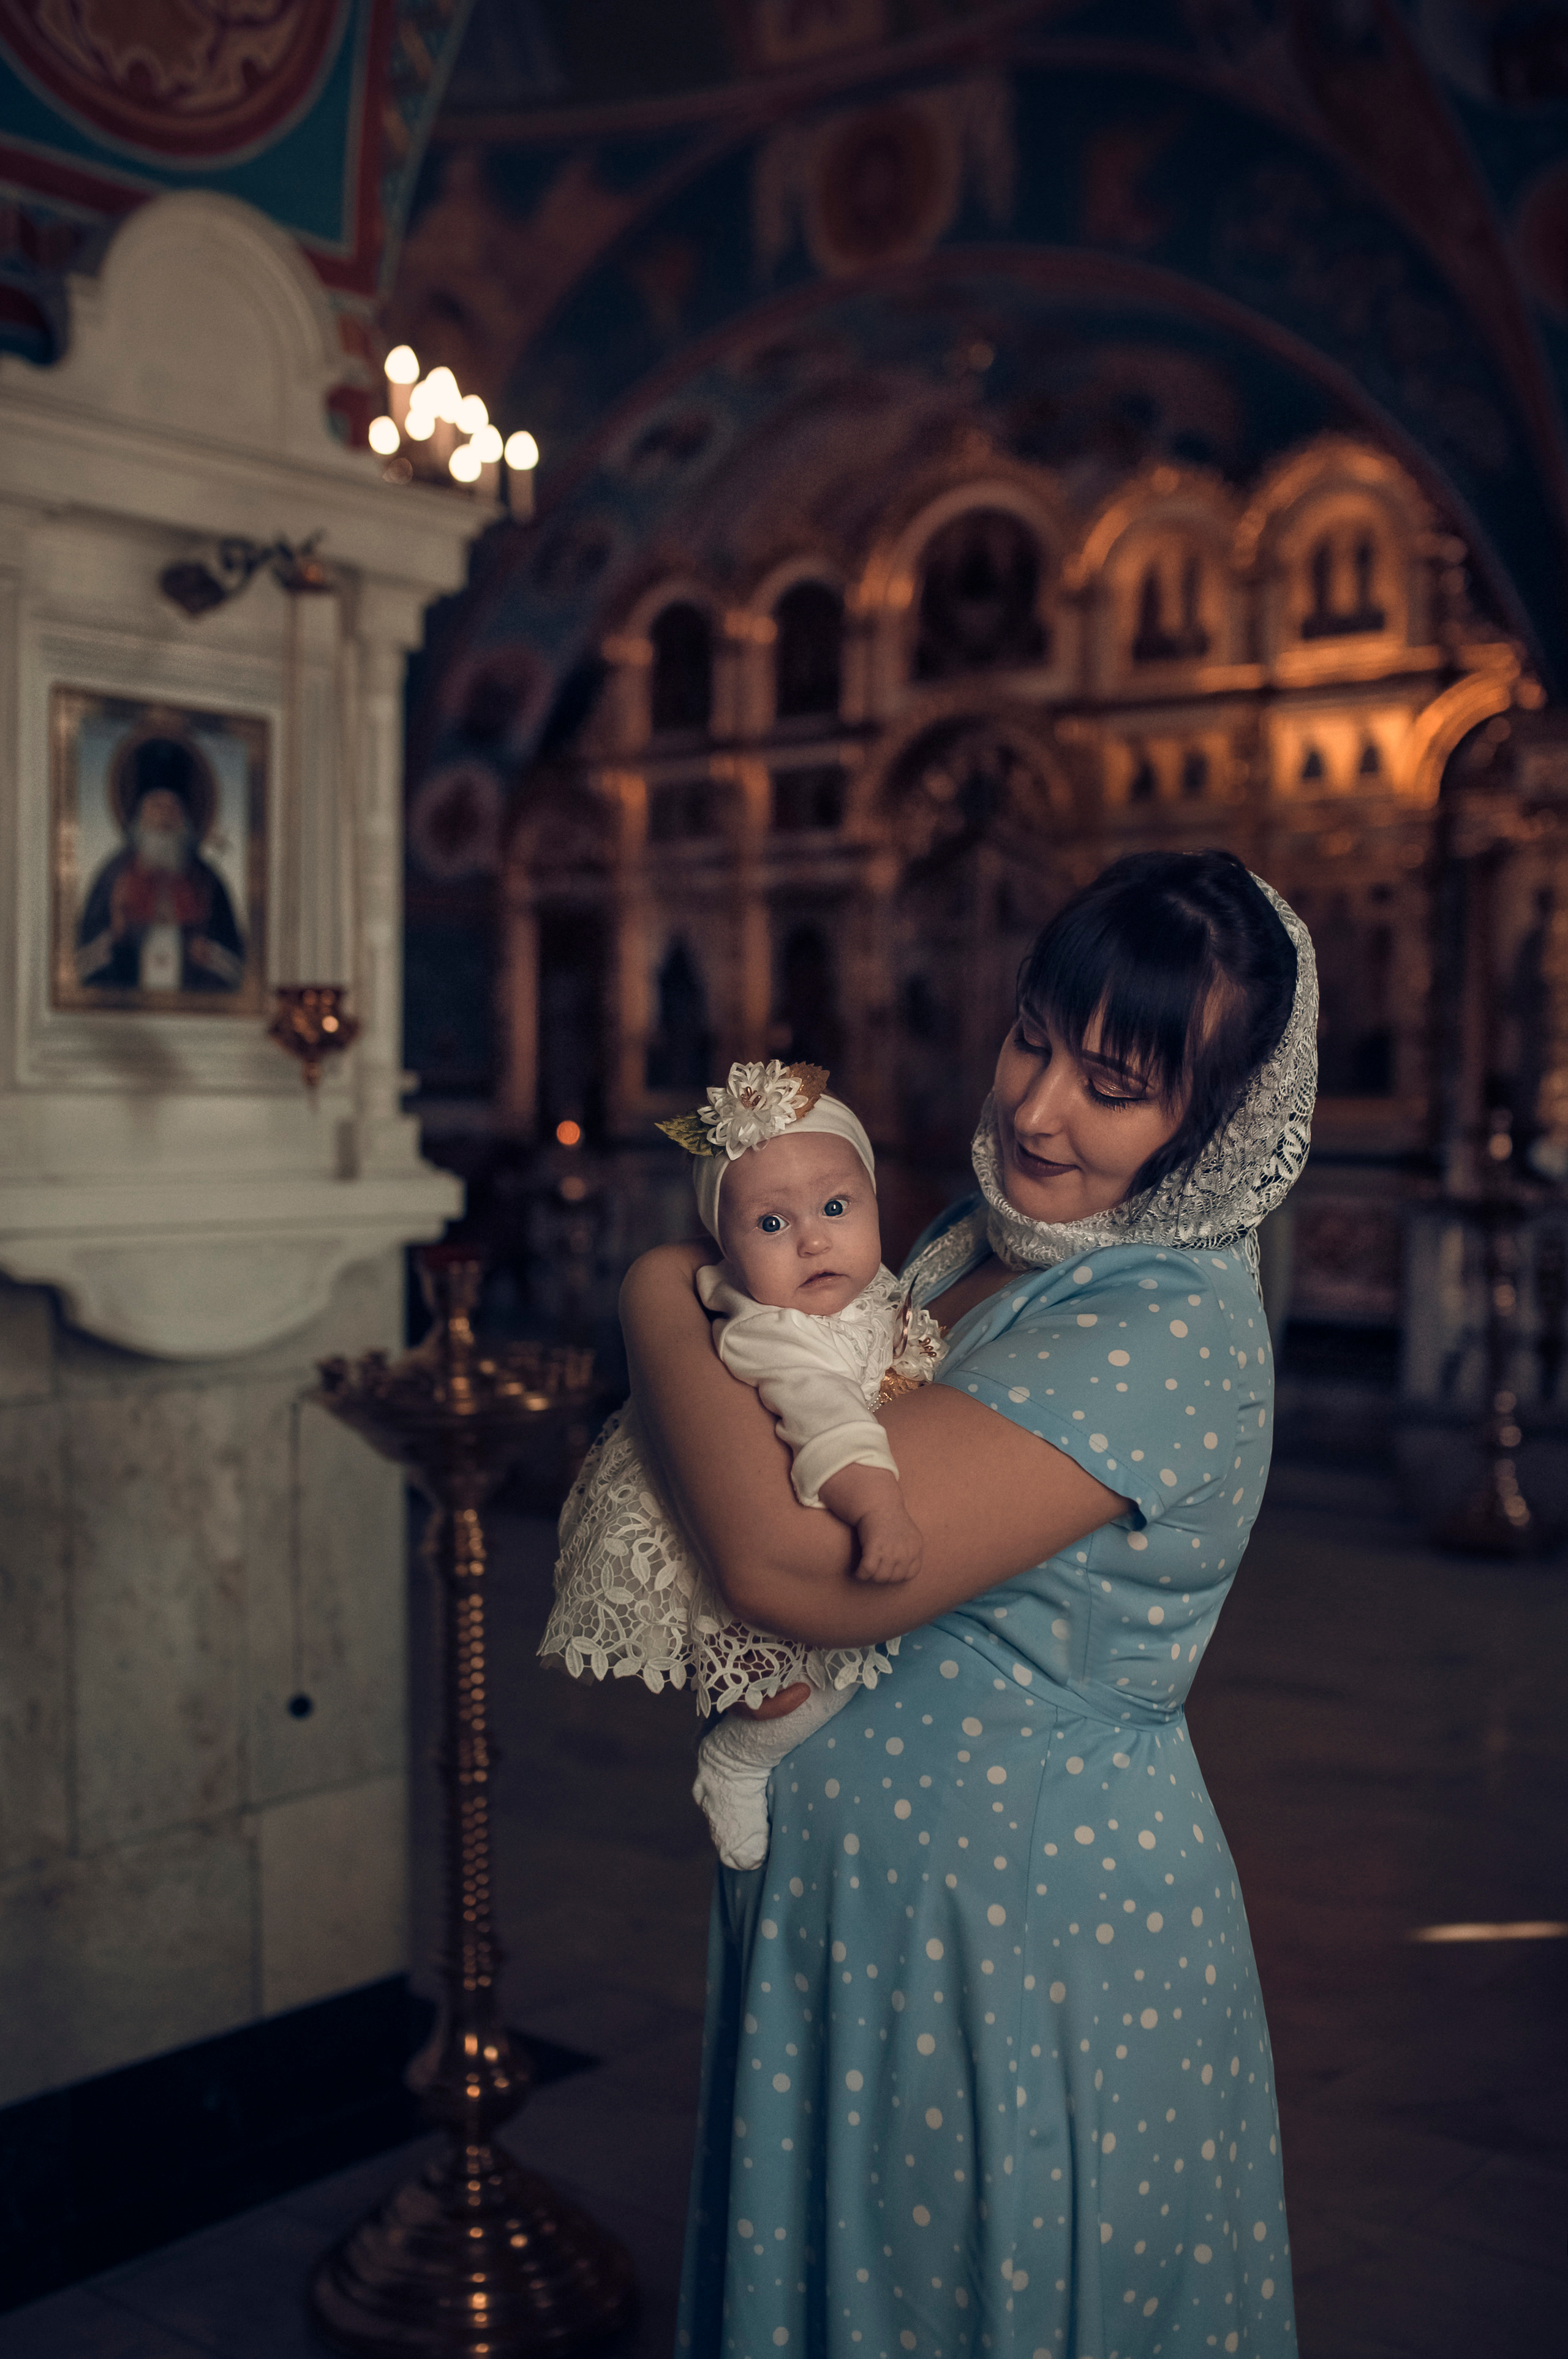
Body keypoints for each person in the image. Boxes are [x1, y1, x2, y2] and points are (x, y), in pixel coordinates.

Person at [619, 847, 1314, 2352]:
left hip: (1022, 1947)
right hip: (872, 1920)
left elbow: (795, 1567)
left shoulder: (1162, 1315)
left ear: (1210, 1117)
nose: (1036, 1106)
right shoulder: (972, 1246)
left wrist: (656, 1295)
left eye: (1112, 1082)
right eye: (1029, 1039)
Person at [541, 1065, 944, 1869]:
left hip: (820, 1493)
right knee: (813, 1686)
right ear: (725, 1246)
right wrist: (880, 1509)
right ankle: (738, 1756)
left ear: (875, 1201)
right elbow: (827, 1426)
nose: (814, 1239)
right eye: (771, 1222)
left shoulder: (872, 1290)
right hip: (790, 1506)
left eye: (837, 1207)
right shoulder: (771, 1328)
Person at [78, 737, 245, 994]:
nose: (163, 817)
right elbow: (77, 966)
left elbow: (240, 971)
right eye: (155, 806)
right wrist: (117, 937)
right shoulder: (114, 876)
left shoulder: (207, 881)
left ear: (186, 819)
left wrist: (208, 955)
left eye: (173, 807)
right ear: (139, 816)